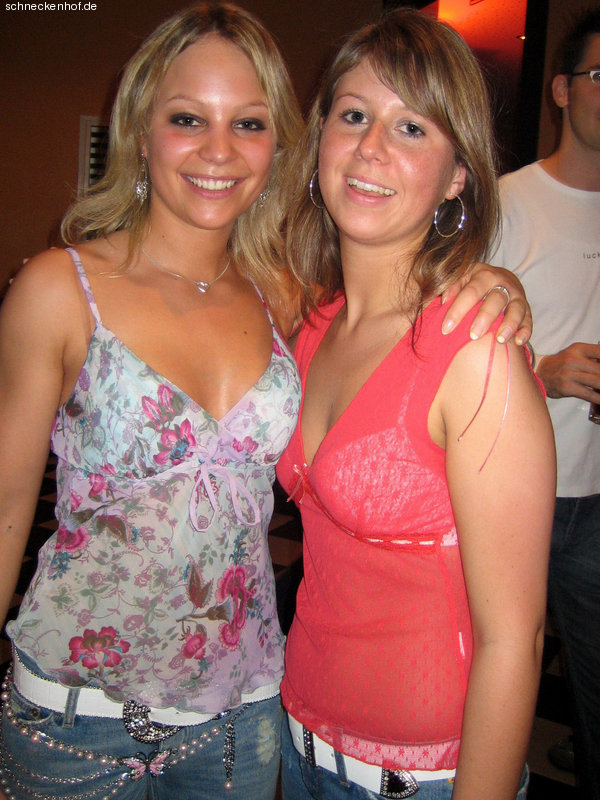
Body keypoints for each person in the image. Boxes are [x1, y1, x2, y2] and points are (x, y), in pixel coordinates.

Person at [0, 3, 532, 799]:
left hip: (242, 717)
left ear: (278, 143)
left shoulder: (282, 301)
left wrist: (492, 279)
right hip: (82, 712)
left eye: (248, 123)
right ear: (140, 129)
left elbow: (401, 317)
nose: (218, 150)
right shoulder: (66, 289)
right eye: (188, 118)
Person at [276, 9, 556, 800]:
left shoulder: (477, 354)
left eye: (411, 128)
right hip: (296, 740)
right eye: (354, 115)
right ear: (320, 140)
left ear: (458, 174)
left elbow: (515, 640)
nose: (371, 147)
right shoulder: (311, 325)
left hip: (424, 777)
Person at [491, 9, 600, 799]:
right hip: (508, 497)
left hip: (598, 502)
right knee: (491, 675)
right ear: (562, 90)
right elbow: (436, 353)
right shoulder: (504, 205)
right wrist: (541, 372)